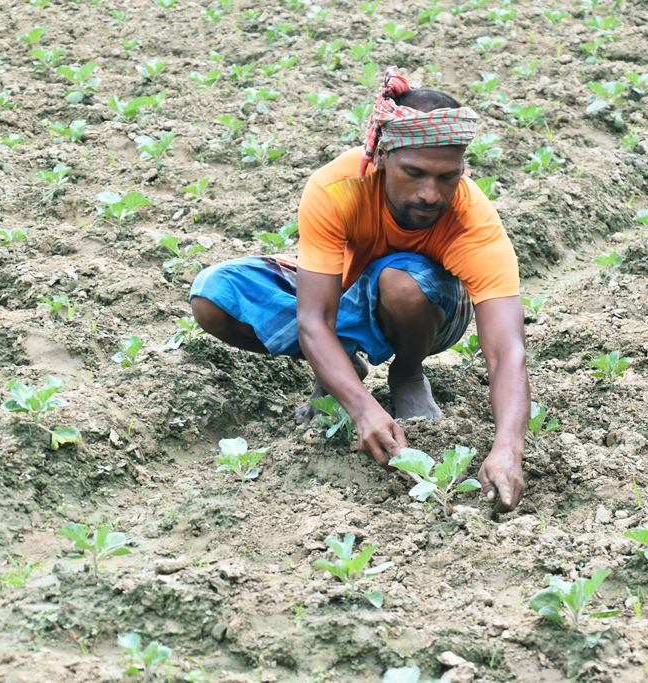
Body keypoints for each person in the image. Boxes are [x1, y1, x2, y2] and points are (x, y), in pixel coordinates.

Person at [190, 66, 530, 511]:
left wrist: (508, 446)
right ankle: (342, 367)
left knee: (402, 281)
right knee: (215, 295)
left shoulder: (472, 221)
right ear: (383, 156)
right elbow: (314, 318)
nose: (431, 194)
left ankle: (407, 373)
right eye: (415, 172)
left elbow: (508, 350)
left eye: (447, 177)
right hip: (340, 292)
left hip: (430, 308)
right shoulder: (337, 189)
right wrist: (362, 408)